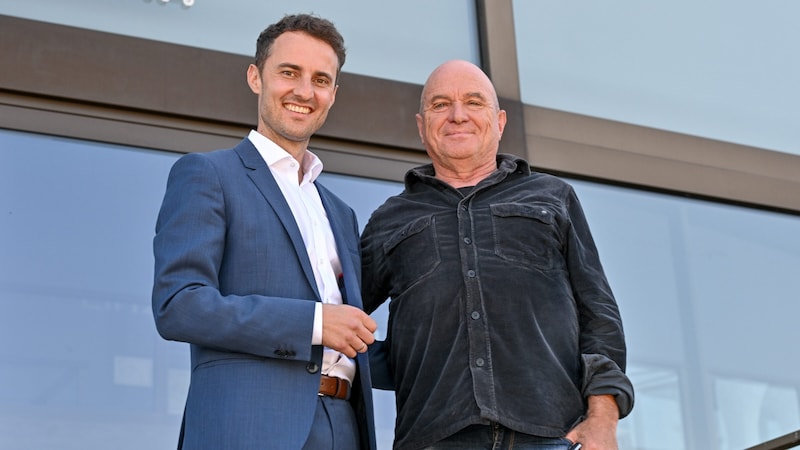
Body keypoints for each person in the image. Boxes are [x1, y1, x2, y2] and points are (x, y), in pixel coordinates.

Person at [361, 60, 634, 450]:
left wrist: (602, 419)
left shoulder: (552, 197)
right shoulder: (389, 220)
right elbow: (340, 318)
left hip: (551, 436)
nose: (458, 116)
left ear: (499, 121)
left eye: (474, 102)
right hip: (433, 439)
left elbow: (600, 318)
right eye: (441, 105)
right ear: (421, 126)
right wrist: (402, 363)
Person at [152, 14, 378, 450]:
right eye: (289, 73)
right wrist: (313, 323)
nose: (303, 91)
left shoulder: (340, 213)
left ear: (333, 94)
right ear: (256, 77)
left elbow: (354, 340)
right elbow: (179, 305)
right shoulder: (209, 174)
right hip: (248, 427)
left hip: (344, 426)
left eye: (320, 79)